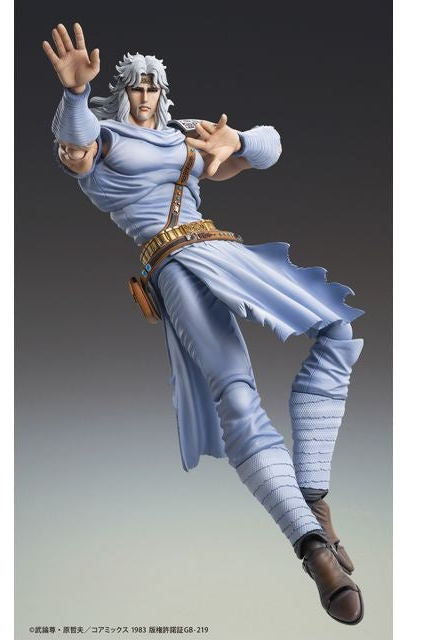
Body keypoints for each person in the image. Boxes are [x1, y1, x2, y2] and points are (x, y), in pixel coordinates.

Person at [43, 22, 365, 625]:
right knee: (236, 396)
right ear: (122, 91)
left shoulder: (184, 136)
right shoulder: (104, 139)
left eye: (152, 86)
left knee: (337, 330)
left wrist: (235, 138)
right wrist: (76, 93)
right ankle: (312, 547)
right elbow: (75, 149)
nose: (144, 95)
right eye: (135, 86)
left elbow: (269, 147)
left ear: (162, 91)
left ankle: (311, 496)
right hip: (171, 262)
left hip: (222, 248)